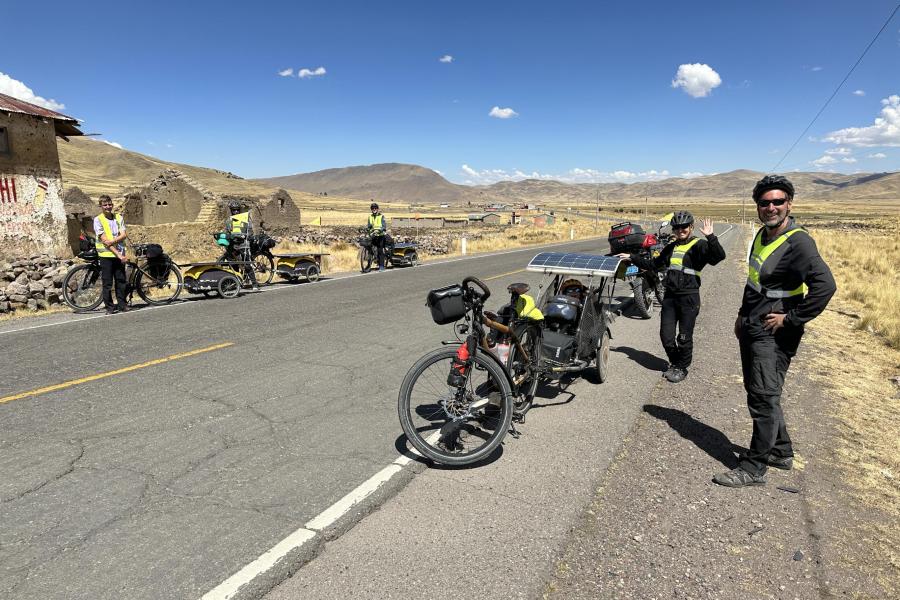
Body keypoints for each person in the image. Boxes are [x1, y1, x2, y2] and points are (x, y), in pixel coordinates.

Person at [714, 175, 836, 488]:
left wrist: (791, 319)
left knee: (763, 396)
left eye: (778, 202)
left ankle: (754, 468)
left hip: (774, 332)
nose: (771, 207)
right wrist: (742, 315)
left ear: (789, 204)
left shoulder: (799, 242)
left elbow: (825, 286)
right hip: (753, 324)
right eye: (765, 202)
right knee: (764, 392)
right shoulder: (762, 235)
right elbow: (754, 282)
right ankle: (781, 451)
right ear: (757, 206)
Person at [616, 211, 726, 382]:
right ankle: (675, 363)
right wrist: (632, 257)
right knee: (666, 336)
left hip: (689, 297)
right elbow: (653, 264)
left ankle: (682, 368)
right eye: (677, 227)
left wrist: (711, 236)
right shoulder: (671, 247)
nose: (680, 230)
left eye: (684, 227)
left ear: (691, 227)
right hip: (670, 297)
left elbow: (719, 257)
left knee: (683, 337)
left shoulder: (700, 245)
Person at [93, 195, 128, 314]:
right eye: (105, 205)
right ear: (101, 206)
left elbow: (123, 235)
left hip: (119, 254)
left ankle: (122, 305)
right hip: (106, 256)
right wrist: (118, 254)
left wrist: (113, 241)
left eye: (109, 204)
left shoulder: (118, 217)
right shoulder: (98, 220)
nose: (108, 207)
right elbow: (104, 240)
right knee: (107, 283)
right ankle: (110, 307)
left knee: (121, 280)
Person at [225, 201, 259, 290]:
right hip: (233, 244)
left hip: (243, 243)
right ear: (231, 211)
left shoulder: (245, 219)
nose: (236, 212)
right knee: (234, 265)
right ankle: (237, 283)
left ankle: (254, 284)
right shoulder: (229, 221)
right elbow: (227, 232)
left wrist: (246, 235)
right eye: (233, 210)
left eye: (237, 210)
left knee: (246, 264)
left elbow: (250, 231)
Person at [367, 202, 389, 272]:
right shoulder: (370, 217)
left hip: (380, 235)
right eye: (372, 208)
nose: (374, 209)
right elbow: (369, 225)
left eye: (375, 208)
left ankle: (381, 266)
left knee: (380, 250)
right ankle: (369, 264)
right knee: (370, 249)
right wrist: (367, 228)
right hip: (373, 235)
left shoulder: (381, 216)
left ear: (377, 209)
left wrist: (381, 229)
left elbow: (384, 225)